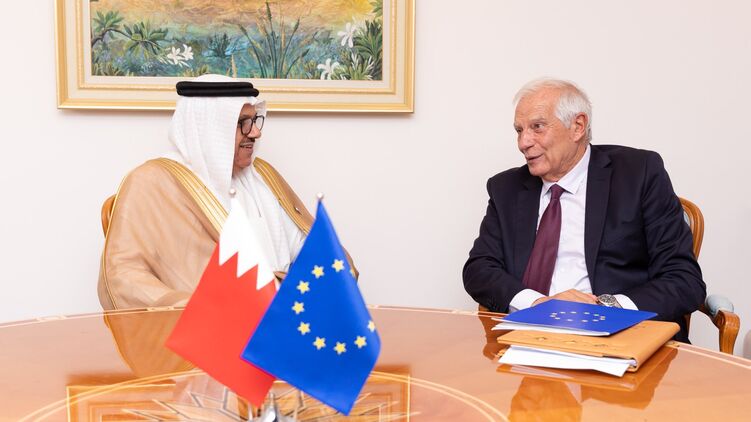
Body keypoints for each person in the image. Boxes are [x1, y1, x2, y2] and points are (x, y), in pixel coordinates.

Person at [463, 78, 705, 342]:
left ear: (577, 126)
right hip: (531, 339)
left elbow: (684, 280)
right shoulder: (506, 188)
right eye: (519, 130)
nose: (523, 142)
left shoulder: (638, 174)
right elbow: (479, 269)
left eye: (537, 127)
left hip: (621, 337)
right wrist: (538, 305)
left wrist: (603, 309)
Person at [99, 74, 320, 310]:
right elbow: (123, 276)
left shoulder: (261, 176)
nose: (256, 132)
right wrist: (198, 310)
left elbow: (311, 249)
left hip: (286, 318)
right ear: (210, 128)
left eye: (255, 120)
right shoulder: (152, 183)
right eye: (243, 122)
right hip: (209, 326)